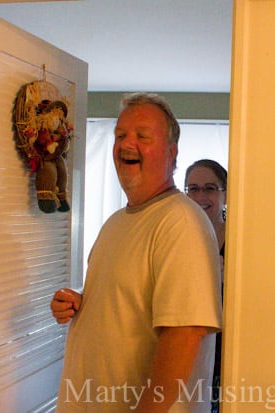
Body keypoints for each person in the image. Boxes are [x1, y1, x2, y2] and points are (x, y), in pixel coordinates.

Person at [51, 93, 222, 413]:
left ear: (173, 154)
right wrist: (82, 300)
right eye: (120, 135)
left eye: (142, 136)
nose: (127, 143)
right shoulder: (117, 223)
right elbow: (130, 302)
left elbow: (184, 333)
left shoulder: (180, 222)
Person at [184, 160, 227, 413]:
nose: (201, 196)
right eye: (193, 189)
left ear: (225, 193)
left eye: (210, 188)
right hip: (187, 352)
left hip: (226, 355)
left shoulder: (241, 240)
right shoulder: (179, 239)